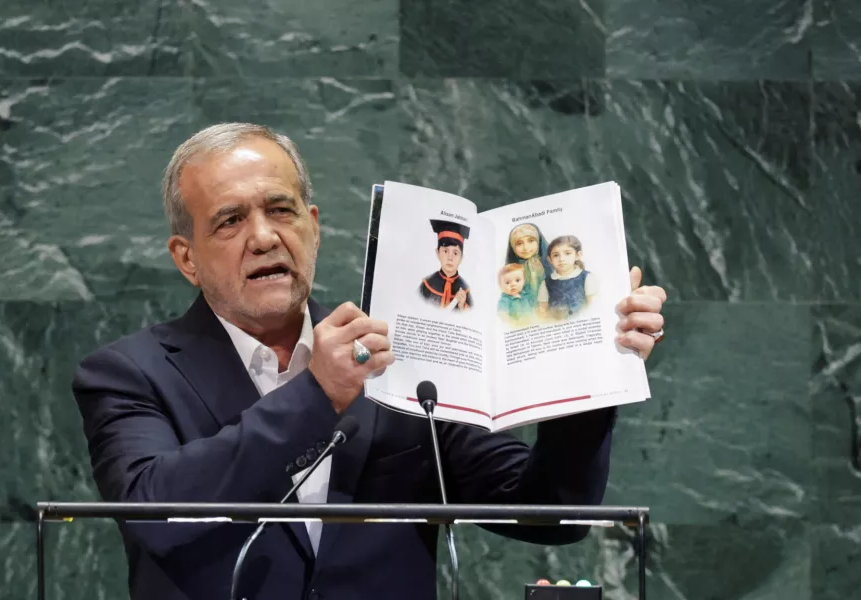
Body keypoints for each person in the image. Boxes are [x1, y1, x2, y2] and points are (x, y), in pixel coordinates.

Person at [71, 123, 668, 600]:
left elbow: (549, 516)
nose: (263, 237)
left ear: (313, 227)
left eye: (280, 210)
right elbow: (153, 512)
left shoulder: (407, 353)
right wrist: (316, 394)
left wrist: (588, 361)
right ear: (187, 259)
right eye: (230, 220)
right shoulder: (130, 374)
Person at [538, 235, 599, 320]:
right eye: (556, 255)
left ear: (578, 255)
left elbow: (593, 306)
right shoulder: (546, 283)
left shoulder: (586, 278)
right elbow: (542, 309)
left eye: (567, 253)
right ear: (550, 259)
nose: (561, 259)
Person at [418, 219, 473, 311]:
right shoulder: (427, 285)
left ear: (461, 258)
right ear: (437, 253)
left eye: (455, 253)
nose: (450, 258)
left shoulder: (465, 290)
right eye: (445, 251)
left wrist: (462, 306)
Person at [505, 222, 552, 309]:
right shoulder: (513, 269)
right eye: (519, 243)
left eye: (531, 241)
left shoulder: (548, 263)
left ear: (538, 241)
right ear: (512, 246)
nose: (526, 247)